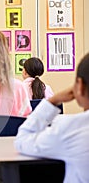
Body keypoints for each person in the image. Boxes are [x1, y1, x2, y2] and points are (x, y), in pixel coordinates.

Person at [14, 53, 89, 183]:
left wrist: (52, 102)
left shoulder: (71, 129)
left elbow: (22, 140)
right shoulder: (46, 88)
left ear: (80, 86)